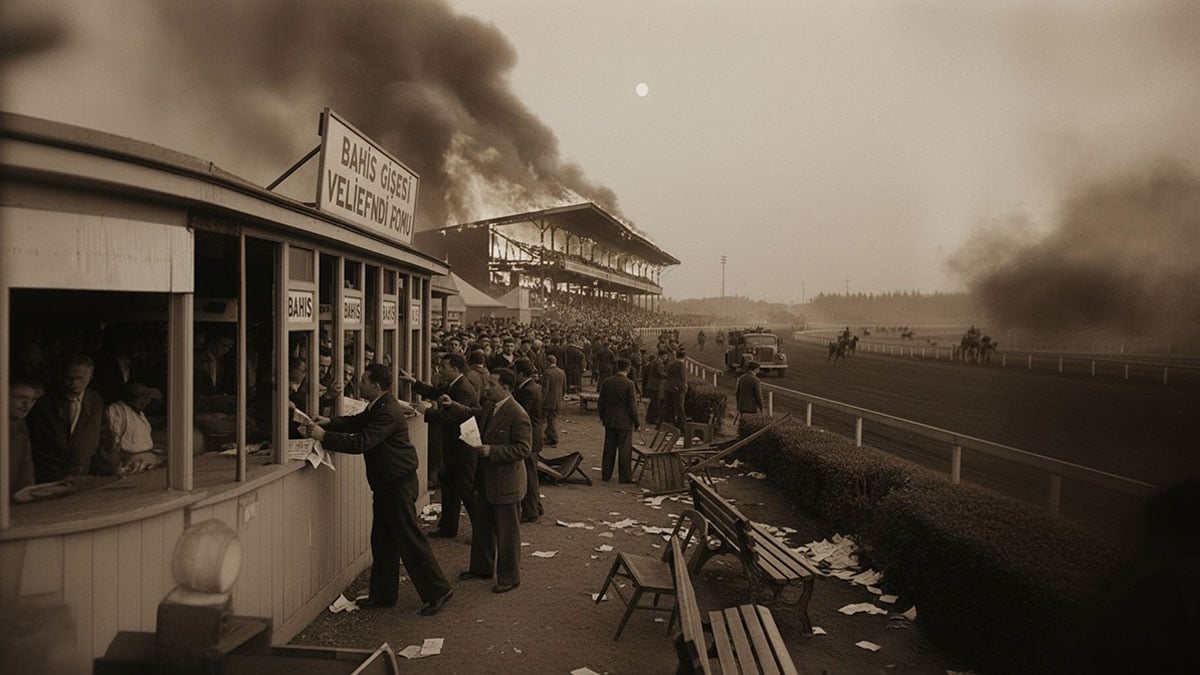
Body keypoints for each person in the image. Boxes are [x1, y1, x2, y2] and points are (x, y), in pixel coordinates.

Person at [299, 363, 453, 615]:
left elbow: (362, 441)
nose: (359, 384)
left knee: (409, 539)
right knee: (383, 541)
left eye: (363, 380)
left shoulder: (387, 411)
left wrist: (322, 435)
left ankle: (438, 590)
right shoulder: (380, 405)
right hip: (388, 483)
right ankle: (383, 595)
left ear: (376, 386)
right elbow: (358, 422)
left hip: (397, 484)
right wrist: (328, 422)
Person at [442, 368, 531, 594]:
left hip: (506, 483)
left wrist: (493, 451)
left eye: (492, 384)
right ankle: (481, 568)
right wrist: (452, 405)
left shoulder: (517, 414)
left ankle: (510, 577)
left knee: (507, 533)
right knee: (482, 528)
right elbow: (473, 414)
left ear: (506, 389)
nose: (487, 387)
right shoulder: (491, 406)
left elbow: (523, 449)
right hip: (485, 480)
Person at [400, 353, 480, 539]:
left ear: (456, 369)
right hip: (455, 447)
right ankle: (448, 527)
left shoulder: (464, 390)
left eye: (444, 367)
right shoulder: (455, 385)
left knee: (467, 492)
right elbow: (435, 392)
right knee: (450, 487)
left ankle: (482, 532)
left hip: (464, 449)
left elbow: (454, 417)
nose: (440, 370)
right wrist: (413, 382)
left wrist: (426, 412)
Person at [27, 353, 105, 483]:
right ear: (60, 375)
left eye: (80, 378)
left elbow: (92, 439)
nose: (74, 383)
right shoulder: (43, 403)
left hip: (82, 476)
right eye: (69, 378)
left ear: (90, 376)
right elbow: (38, 445)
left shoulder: (95, 400)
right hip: (48, 478)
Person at [96, 382, 163, 476]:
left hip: (145, 460)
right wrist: (116, 464)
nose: (146, 402)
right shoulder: (116, 410)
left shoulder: (140, 414)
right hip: (130, 462)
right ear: (131, 398)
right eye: (142, 398)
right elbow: (113, 442)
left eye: (147, 399)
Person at [597, 358, 641, 483]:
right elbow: (632, 407)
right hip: (625, 422)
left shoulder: (607, 382)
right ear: (628, 368)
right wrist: (637, 423)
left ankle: (606, 474)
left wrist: (603, 417)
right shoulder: (629, 384)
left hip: (610, 420)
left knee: (609, 448)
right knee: (624, 450)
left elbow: (601, 402)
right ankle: (625, 477)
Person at [513, 358, 544, 522]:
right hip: (534, 436)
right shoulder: (532, 387)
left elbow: (521, 413)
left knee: (529, 476)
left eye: (514, 372)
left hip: (529, 437)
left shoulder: (528, 391)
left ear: (520, 374)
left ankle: (531, 510)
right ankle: (536, 506)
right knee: (531, 474)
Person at [8, 373, 43, 494]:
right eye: (21, 398)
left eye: (32, 400)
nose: (27, 405)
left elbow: (26, 471)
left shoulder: (20, 425)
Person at [540, 354, 566, 447]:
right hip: (558, 400)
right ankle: (550, 436)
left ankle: (553, 438)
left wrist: (541, 400)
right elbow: (564, 387)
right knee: (552, 419)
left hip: (547, 401)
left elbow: (545, 389)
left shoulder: (547, 372)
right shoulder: (562, 372)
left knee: (542, 420)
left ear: (548, 362)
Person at [662, 348, 689, 430]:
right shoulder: (681, 365)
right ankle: (682, 426)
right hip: (677, 389)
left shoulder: (671, 364)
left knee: (667, 406)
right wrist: (684, 388)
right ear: (684, 356)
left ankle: (661, 423)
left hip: (669, 387)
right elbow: (683, 378)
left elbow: (666, 373)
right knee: (680, 407)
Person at [642, 349, 668, 426]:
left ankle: (649, 418)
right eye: (666, 356)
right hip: (655, 385)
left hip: (652, 385)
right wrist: (667, 376)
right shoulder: (658, 363)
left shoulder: (655, 361)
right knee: (656, 403)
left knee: (653, 403)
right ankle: (653, 419)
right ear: (663, 355)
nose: (666, 357)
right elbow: (659, 372)